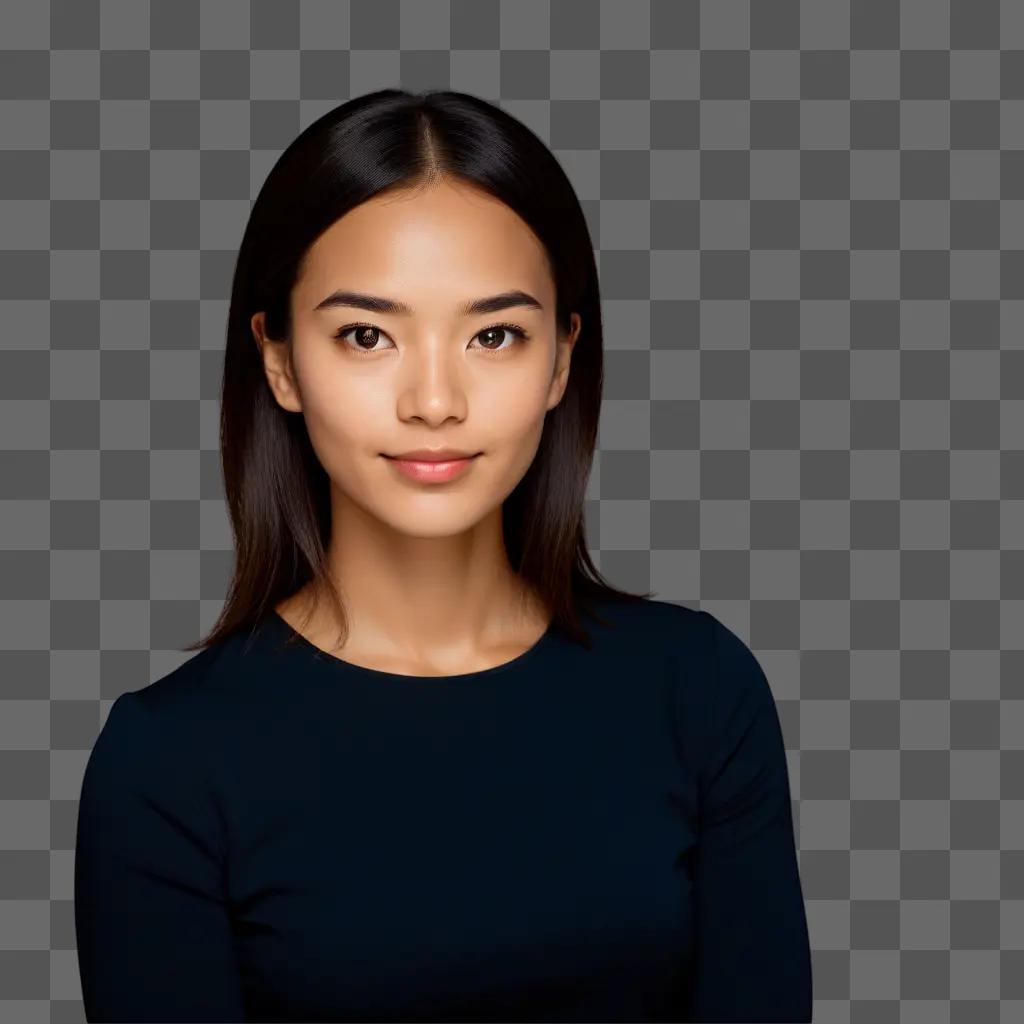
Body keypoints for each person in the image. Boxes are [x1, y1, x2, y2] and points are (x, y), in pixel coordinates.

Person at [73, 88, 813, 1022]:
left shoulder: (698, 693)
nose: (434, 399)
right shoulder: (169, 763)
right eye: (367, 335)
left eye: (493, 334)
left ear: (559, 361)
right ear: (281, 362)